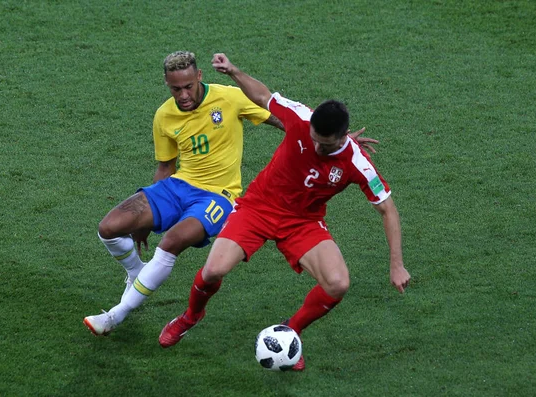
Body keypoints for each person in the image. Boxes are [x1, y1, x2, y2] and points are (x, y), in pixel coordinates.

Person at [83, 51, 381, 336]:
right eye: (176, 90)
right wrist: (147, 219)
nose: (184, 95)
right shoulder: (164, 115)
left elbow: (287, 121)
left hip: (217, 195)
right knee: (108, 229)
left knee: (172, 241)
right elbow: (165, 166)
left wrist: (337, 142)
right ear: (167, 85)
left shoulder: (229, 97)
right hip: (178, 186)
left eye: (188, 86)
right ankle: (136, 271)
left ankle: (115, 315)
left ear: (199, 76)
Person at [158, 53, 411, 371]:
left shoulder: (356, 162)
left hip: (303, 222)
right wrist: (234, 70)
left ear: (343, 137)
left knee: (338, 284)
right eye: (315, 140)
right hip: (258, 208)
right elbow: (264, 96)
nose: (317, 148)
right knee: (212, 271)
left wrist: (396, 265)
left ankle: (290, 332)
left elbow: (388, 209)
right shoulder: (301, 118)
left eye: (326, 145)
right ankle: (189, 317)